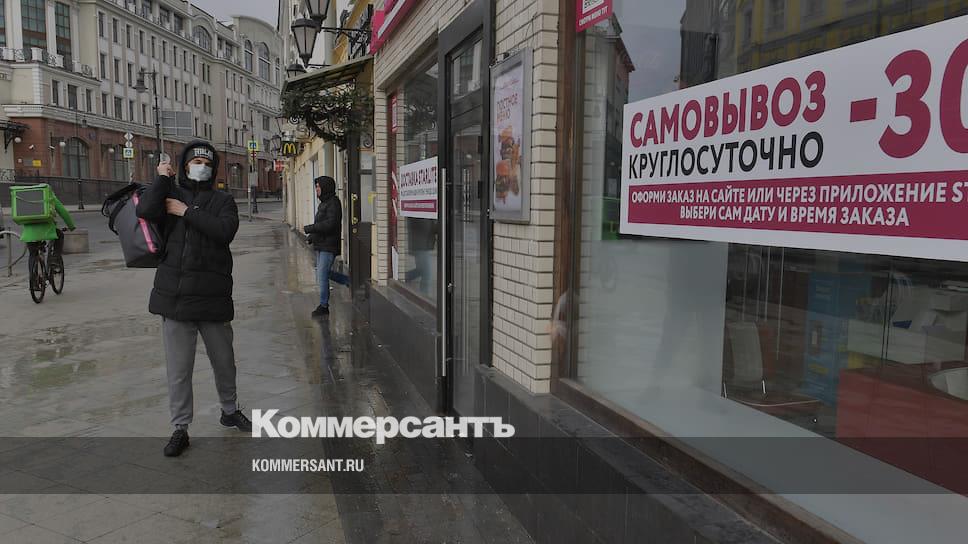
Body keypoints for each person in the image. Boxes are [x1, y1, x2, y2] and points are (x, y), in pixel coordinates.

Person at [135, 140, 251, 457]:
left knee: (224, 361)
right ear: (184, 165)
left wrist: (186, 211)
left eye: (207, 163)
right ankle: (180, 428)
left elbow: (224, 231)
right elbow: (144, 211)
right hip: (175, 297)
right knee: (179, 369)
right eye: (195, 161)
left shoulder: (224, 200)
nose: (201, 166)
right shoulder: (170, 192)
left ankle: (229, 410)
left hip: (213, 296)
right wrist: (161, 179)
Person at [303, 176, 344, 317]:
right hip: (321, 244)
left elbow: (330, 224)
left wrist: (311, 228)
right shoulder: (324, 203)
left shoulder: (334, 203)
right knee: (323, 273)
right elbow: (321, 224)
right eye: (316, 187)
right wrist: (311, 237)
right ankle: (349, 281)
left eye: (318, 187)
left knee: (322, 274)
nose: (316, 189)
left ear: (325, 187)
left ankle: (324, 306)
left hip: (329, 245)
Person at [17, 184, 76, 260]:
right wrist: (71, 226)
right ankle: (55, 258)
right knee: (60, 235)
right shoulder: (49, 194)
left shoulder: (25, 197)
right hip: (47, 230)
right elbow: (63, 212)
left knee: (32, 254)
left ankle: (32, 265)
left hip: (29, 233)